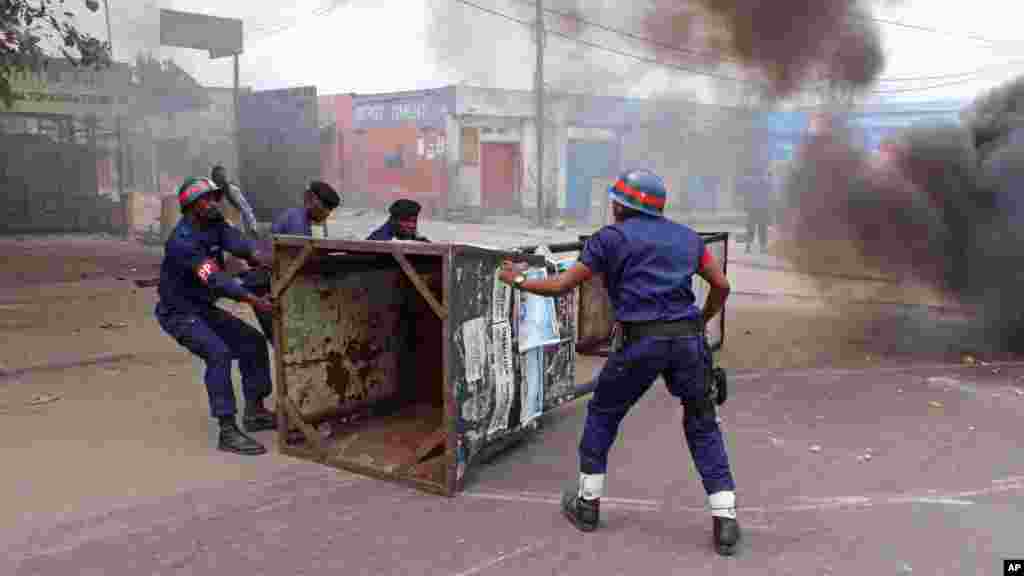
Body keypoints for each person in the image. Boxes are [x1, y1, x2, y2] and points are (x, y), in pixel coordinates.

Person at [497, 168, 740, 556]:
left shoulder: (609, 239)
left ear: (621, 204)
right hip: (688, 342)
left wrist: (517, 280)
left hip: (639, 343)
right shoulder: (688, 237)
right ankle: (725, 519)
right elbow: (722, 285)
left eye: (615, 200)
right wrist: (701, 321)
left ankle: (588, 505)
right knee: (702, 421)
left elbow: (561, 285)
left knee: (604, 414)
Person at [155, 176, 278, 456]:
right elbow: (216, 280)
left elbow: (235, 241)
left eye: (214, 198)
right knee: (218, 354)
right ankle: (227, 430)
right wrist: (253, 300)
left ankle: (255, 411)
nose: (213, 203)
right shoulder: (182, 243)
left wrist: (258, 257)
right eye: (206, 200)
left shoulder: (214, 224)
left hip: (202, 308)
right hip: (178, 313)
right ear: (190, 206)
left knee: (253, 343)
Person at [271, 180, 342, 237]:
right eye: (325, 206)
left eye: (330, 209)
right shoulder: (295, 218)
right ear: (311, 199)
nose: (328, 213)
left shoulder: (316, 220)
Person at [211, 165, 259, 239]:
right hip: (221, 235)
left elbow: (247, 210)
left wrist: (253, 227)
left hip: (236, 233)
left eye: (221, 176)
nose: (219, 179)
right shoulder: (211, 194)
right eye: (216, 176)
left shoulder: (233, 191)